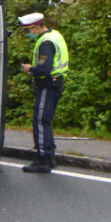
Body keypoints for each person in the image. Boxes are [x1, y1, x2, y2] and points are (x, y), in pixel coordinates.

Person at [18, 12, 69, 173]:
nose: (29, 34)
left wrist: (30, 68)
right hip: (56, 83)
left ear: (37, 26)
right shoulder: (55, 35)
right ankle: (50, 156)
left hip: (48, 85)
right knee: (45, 121)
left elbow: (45, 69)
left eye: (29, 30)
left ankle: (43, 160)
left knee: (40, 122)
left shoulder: (46, 43)